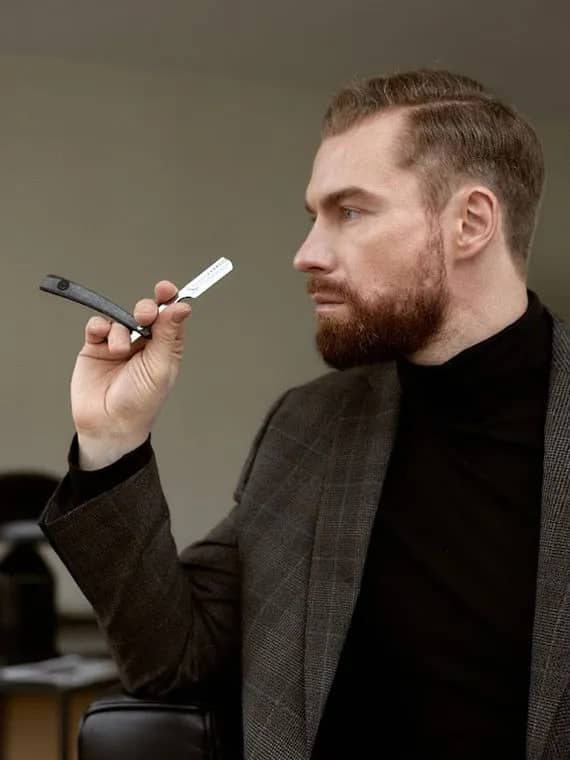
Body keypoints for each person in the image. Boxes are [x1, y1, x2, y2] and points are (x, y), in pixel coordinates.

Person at [39, 69, 569, 760]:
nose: (306, 255)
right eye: (313, 216)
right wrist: (113, 440)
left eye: (349, 212)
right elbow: (170, 659)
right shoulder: (310, 427)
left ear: (469, 222)